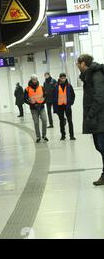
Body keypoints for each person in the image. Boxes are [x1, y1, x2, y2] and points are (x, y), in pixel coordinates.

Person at [76, 54, 104, 186]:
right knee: (100, 147)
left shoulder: (96, 75)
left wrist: (91, 115)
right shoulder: (89, 76)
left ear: (83, 64)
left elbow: (99, 97)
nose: (77, 66)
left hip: (100, 119)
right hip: (96, 119)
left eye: (78, 63)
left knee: (102, 147)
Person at [24, 74, 49, 143]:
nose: (35, 81)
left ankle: (44, 135)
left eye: (36, 80)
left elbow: (45, 96)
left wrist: (43, 102)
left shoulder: (41, 87)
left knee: (44, 120)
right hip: (33, 108)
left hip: (41, 107)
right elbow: (25, 98)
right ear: (31, 80)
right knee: (36, 123)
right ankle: (38, 137)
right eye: (33, 80)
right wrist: (31, 103)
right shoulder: (27, 89)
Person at [53, 73, 76, 141]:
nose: (63, 79)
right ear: (59, 78)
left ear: (65, 78)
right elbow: (54, 97)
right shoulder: (56, 86)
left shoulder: (69, 85)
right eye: (62, 78)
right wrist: (55, 108)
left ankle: (72, 136)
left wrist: (71, 102)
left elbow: (73, 95)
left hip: (67, 106)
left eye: (64, 78)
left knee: (70, 121)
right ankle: (63, 135)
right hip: (60, 106)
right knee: (61, 121)